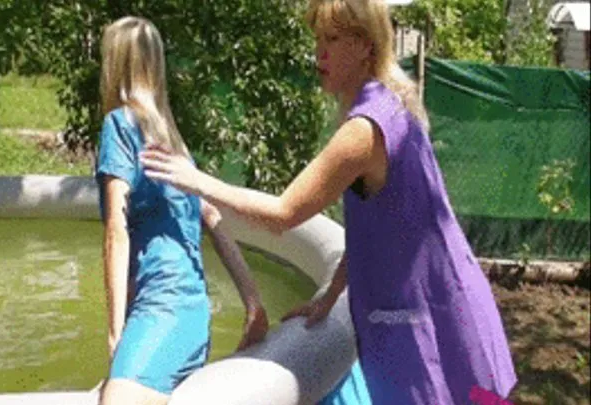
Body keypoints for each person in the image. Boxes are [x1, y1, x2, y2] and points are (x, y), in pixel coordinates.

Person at [139, 0, 518, 403]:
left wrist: (196, 181)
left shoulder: (366, 129)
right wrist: (329, 296)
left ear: (366, 45)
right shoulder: (390, 106)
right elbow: (377, 227)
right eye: (318, 39)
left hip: (426, 320)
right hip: (440, 309)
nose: (319, 52)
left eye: (333, 39)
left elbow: (283, 214)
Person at [95, 16, 269, 405]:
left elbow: (115, 230)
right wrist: (253, 302)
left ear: (114, 64)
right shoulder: (173, 142)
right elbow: (212, 218)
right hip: (192, 316)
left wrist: (115, 333)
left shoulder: (119, 125)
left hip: (161, 305)